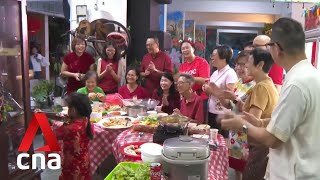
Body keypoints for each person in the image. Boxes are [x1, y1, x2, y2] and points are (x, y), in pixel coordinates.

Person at [221, 17, 320, 180]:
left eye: (268, 46)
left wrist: (242, 124)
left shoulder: (295, 84)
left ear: (277, 49)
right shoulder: (310, 74)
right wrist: (260, 123)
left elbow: (272, 140)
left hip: (293, 173)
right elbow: (294, 122)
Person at [218, 51, 255, 180]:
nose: (239, 68)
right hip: (235, 131)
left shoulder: (255, 86)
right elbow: (231, 105)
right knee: (236, 166)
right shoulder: (239, 82)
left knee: (246, 166)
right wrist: (222, 98)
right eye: (237, 65)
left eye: (243, 65)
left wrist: (234, 99)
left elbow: (249, 111)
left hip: (246, 130)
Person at [55, 93, 93, 180]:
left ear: (74, 110)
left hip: (72, 163)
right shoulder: (85, 119)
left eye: (69, 107)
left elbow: (52, 135)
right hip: (84, 160)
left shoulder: (70, 128)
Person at [202, 45, 238, 138]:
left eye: (214, 55)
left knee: (222, 140)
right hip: (211, 111)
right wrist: (206, 89)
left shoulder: (230, 73)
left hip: (222, 114)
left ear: (223, 57)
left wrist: (212, 91)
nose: (211, 57)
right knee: (212, 138)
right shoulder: (215, 73)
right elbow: (211, 92)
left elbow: (228, 97)